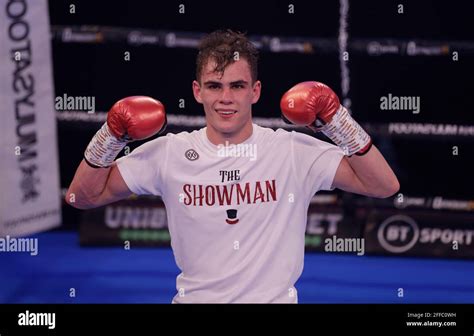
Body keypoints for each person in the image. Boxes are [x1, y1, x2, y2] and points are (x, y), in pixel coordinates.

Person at [66, 29, 399, 303]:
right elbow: (82, 197)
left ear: (255, 91)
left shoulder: (290, 151)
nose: (225, 98)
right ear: (198, 91)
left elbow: (384, 186)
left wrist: (337, 121)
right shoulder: (169, 153)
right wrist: (110, 136)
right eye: (215, 85)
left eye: (237, 86)